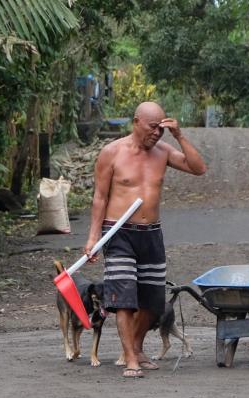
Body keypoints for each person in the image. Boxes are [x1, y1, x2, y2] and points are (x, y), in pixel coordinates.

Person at [84, 102, 207, 378]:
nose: (157, 134)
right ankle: (130, 359)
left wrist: (179, 136)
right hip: (118, 233)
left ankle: (137, 349)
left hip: (151, 234)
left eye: (162, 128)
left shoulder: (163, 151)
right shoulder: (111, 153)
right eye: (153, 127)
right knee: (124, 298)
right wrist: (93, 238)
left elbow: (199, 168)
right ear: (136, 122)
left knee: (152, 302)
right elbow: (100, 198)